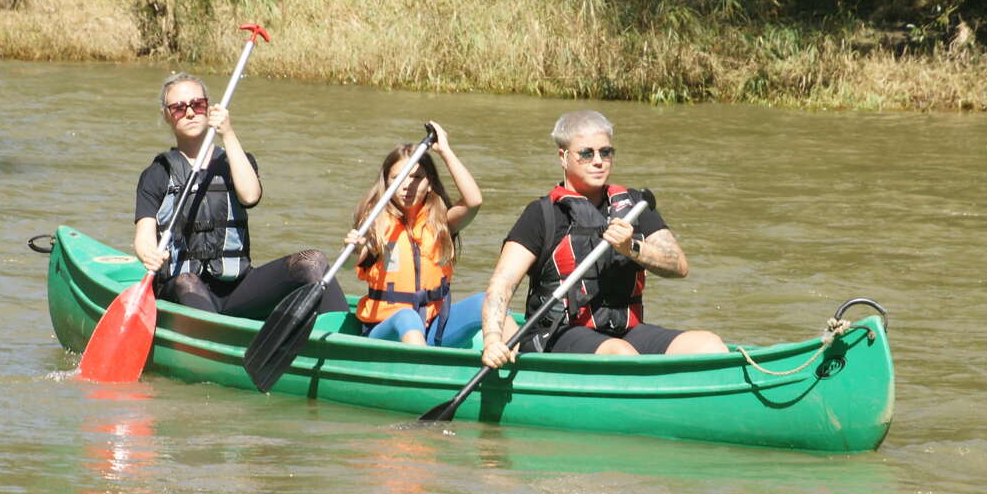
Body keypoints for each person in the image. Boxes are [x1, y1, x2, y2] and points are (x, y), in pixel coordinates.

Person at [479, 109, 727, 368]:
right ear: (564, 157)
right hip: (556, 334)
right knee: (620, 353)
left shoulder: (635, 206)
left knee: (709, 345)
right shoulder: (542, 215)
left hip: (625, 331)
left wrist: (632, 248)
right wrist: (493, 340)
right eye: (586, 154)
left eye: (606, 152)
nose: (598, 161)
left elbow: (679, 266)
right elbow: (501, 285)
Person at [134, 72, 348, 318]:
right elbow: (144, 236)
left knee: (313, 261)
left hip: (236, 288)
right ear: (167, 116)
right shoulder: (156, 174)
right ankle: (213, 345)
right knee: (186, 281)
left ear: (209, 108)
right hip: (181, 290)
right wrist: (148, 253)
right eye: (179, 108)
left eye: (197, 104)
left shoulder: (235, 161)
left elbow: (250, 196)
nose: (190, 113)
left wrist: (228, 133)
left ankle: (344, 341)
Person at [343, 122, 513, 347]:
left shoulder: (441, 224)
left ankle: (520, 365)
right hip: (386, 331)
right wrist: (355, 248)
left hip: (434, 327)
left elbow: (474, 201)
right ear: (386, 183)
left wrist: (445, 152)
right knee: (407, 315)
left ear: (430, 183)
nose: (407, 186)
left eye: (416, 177)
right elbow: (348, 265)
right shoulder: (375, 224)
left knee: (490, 301)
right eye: (398, 178)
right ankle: (421, 371)